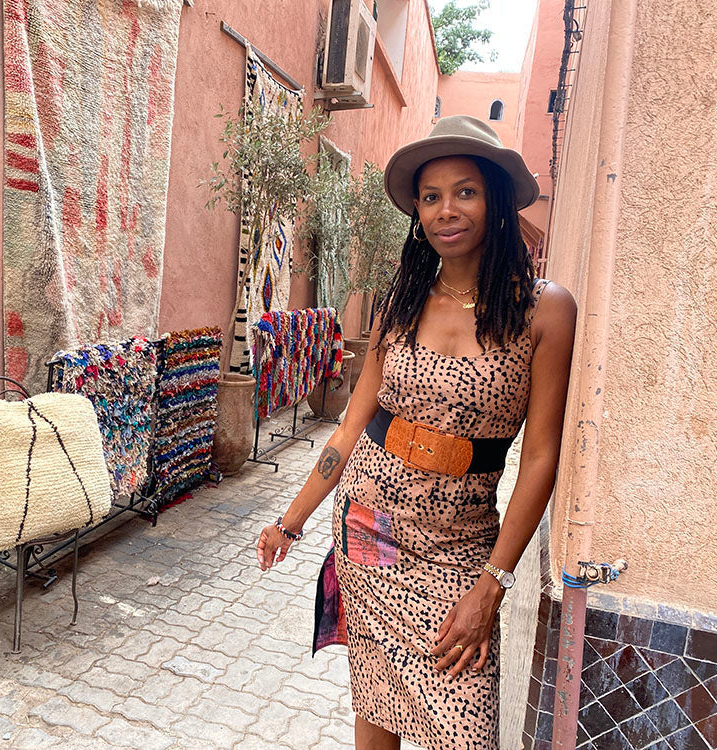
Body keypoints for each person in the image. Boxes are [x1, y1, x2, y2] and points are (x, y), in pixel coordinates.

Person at [256, 115, 577, 750]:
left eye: (464, 191)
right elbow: (352, 426)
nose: (445, 211)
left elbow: (541, 456)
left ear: (496, 200)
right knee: (377, 699)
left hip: (461, 547)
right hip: (369, 526)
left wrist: (494, 584)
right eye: (430, 197)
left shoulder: (545, 310)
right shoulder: (401, 300)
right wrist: (289, 522)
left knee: (464, 723)